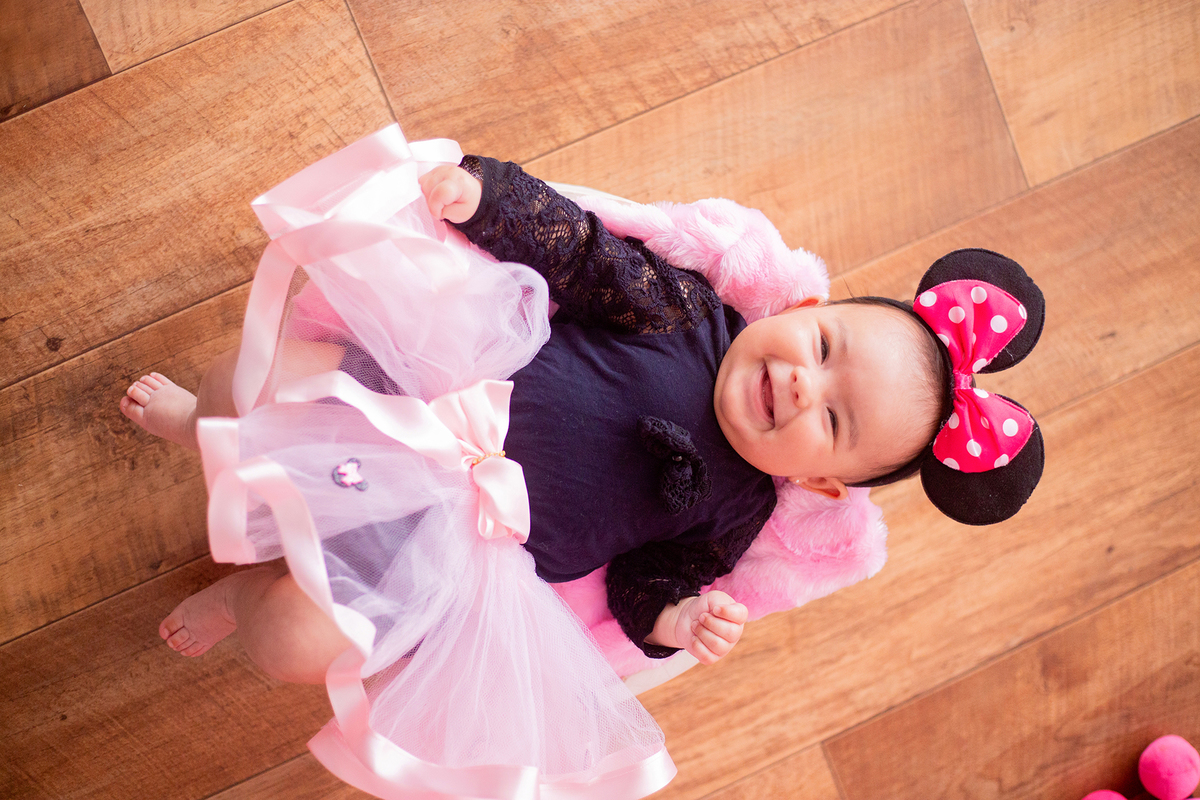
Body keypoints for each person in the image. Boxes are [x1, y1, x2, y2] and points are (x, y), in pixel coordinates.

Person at [119, 128, 1044, 799]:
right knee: (249, 380)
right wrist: (489, 200)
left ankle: (240, 598)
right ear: (803, 304)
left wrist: (678, 618)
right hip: (422, 407)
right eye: (825, 343)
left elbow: (645, 579)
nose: (804, 383)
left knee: (295, 641)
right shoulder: (681, 311)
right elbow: (582, 250)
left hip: (460, 552)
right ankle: (202, 423)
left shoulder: (737, 513)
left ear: (822, 482)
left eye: (835, 419)